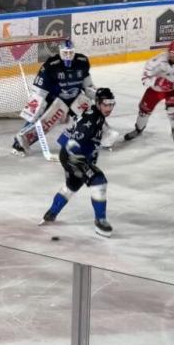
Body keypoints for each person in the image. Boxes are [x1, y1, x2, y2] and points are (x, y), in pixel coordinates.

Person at [39, 88, 117, 238]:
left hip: (69, 155)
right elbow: (73, 142)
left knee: (72, 185)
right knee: (99, 181)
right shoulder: (92, 118)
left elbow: (67, 137)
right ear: (99, 103)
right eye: (106, 104)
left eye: (111, 104)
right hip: (73, 155)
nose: (109, 108)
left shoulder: (96, 115)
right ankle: (100, 222)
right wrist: (80, 162)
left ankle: (51, 214)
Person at [12, 39, 96, 156]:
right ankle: (19, 143)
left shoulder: (82, 61)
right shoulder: (51, 66)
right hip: (56, 101)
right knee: (43, 123)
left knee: (93, 114)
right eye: (65, 53)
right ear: (60, 52)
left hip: (75, 98)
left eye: (70, 53)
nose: (68, 56)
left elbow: (88, 86)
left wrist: (96, 96)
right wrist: (35, 112)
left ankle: (103, 136)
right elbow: (39, 93)